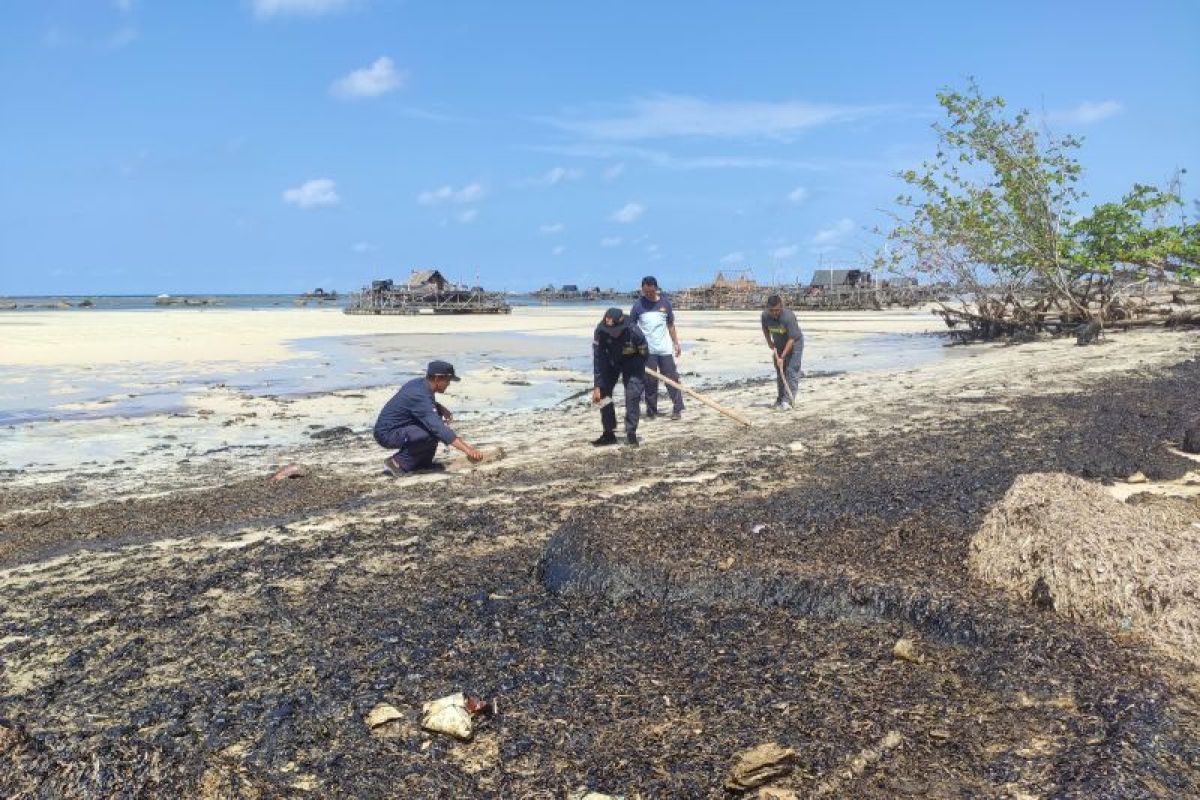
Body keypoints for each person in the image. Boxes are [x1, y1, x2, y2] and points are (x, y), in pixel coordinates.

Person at [374, 360, 484, 475]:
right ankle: (397, 463)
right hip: (387, 434)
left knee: (433, 427)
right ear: (437, 379)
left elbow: (420, 405)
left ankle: (421, 464)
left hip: (397, 428)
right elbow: (439, 429)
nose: (449, 384)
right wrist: (468, 450)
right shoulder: (419, 394)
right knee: (430, 432)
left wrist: (439, 407)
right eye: (447, 380)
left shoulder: (420, 384)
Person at [628, 275, 684, 420]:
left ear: (656, 288)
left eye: (650, 292)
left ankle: (677, 408)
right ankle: (651, 411)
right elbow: (631, 326)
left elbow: (670, 325)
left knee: (671, 378)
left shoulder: (665, 304)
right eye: (645, 292)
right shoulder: (638, 306)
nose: (648, 295)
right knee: (650, 382)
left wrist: (676, 343)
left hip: (665, 349)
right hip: (648, 351)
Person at [591, 307, 648, 447]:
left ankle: (631, 433)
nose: (612, 334)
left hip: (632, 362)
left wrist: (636, 370)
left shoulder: (634, 331)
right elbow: (598, 359)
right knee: (604, 395)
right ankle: (608, 432)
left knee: (632, 395)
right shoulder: (600, 331)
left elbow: (645, 353)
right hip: (610, 362)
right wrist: (597, 385)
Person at [761, 294, 803, 409]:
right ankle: (780, 399)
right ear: (768, 308)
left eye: (777, 310)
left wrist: (782, 357)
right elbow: (765, 328)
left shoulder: (788, 317)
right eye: (772, 310)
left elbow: (791, 339)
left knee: (791, 370)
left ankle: (788, 400)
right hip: (778, 344)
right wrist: (769, 342)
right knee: (780, 372)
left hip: (794, 343)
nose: (774, 313)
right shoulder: (765, 316)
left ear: (781, 307)